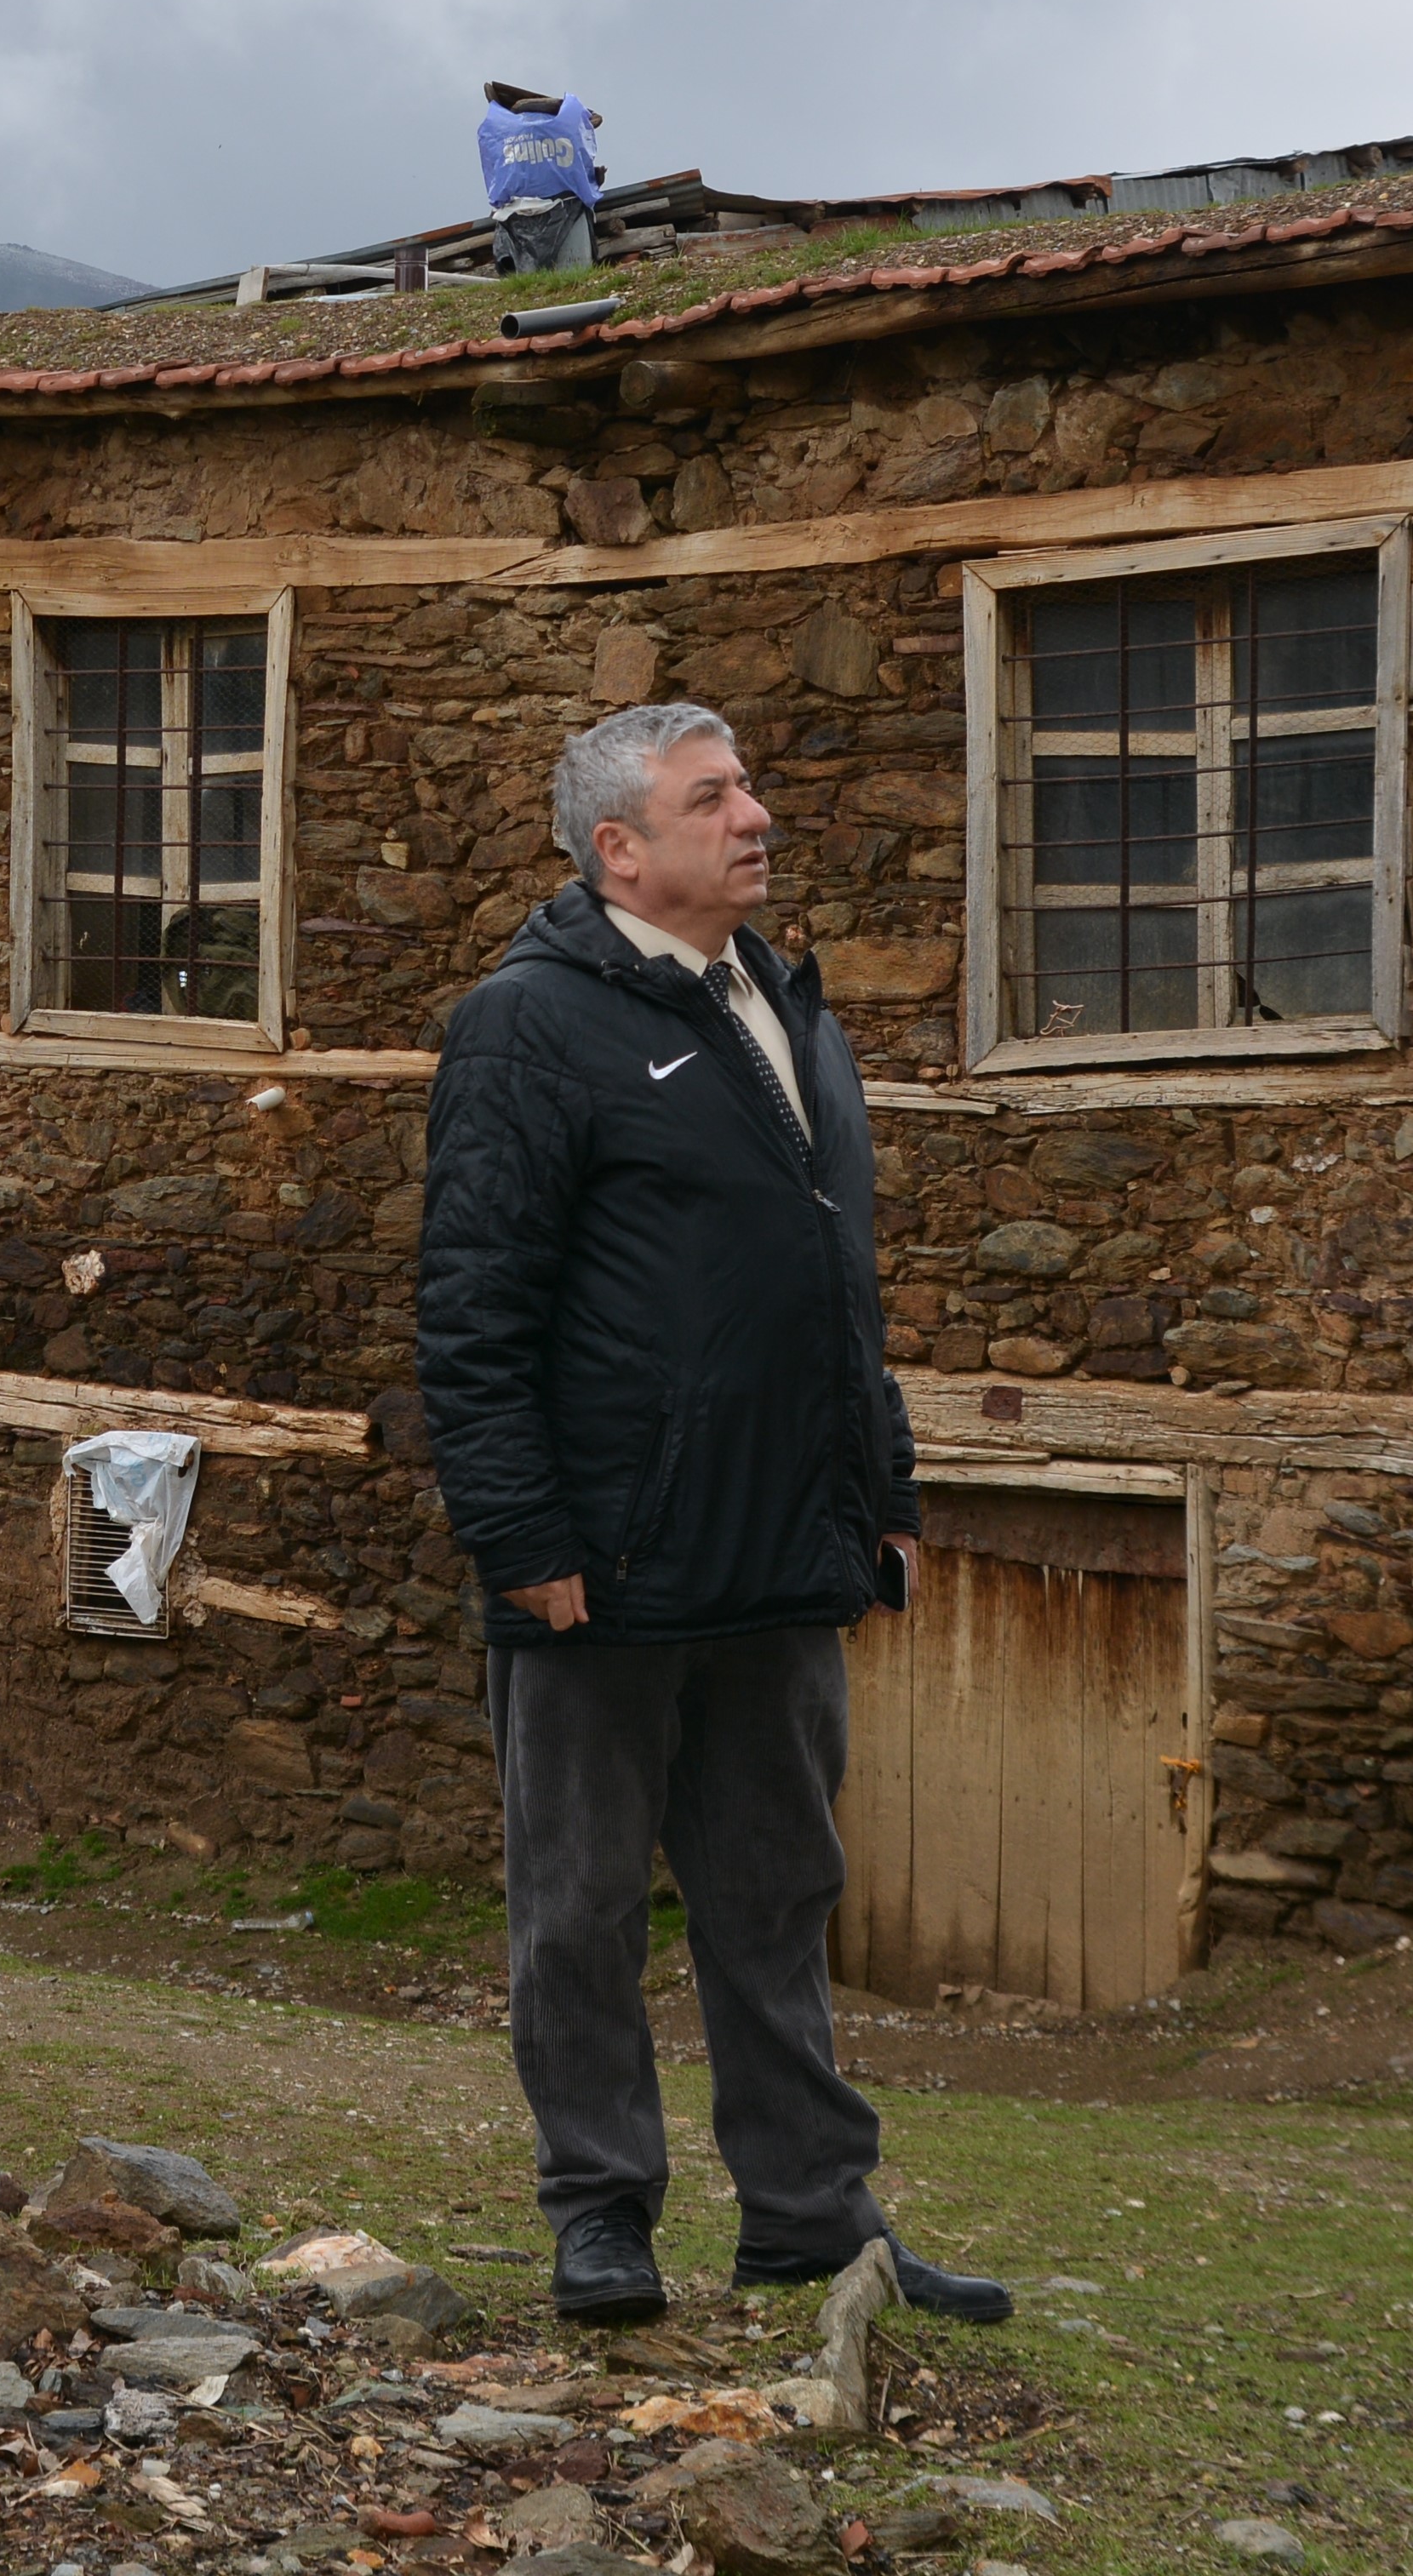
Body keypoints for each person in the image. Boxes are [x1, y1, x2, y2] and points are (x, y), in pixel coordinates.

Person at [415, 702, 1011, 2332]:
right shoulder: (528, 1026)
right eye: (715, 796)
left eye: (747, 784)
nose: (757, 814)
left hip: (782, 1555)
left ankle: (813, 2221)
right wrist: (523, 1542)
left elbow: (838, 1295)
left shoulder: (782, 1010)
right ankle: (601, 2217)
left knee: (779, 1901)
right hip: (603, 1573)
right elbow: (473, 1311)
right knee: (581, 1911)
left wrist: (879, 1491)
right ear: (622, 849)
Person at [476, 78, 604, 276]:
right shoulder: (567, 122)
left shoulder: (502, 127)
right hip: (565, 207)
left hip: (518, 213)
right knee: (573, 276)